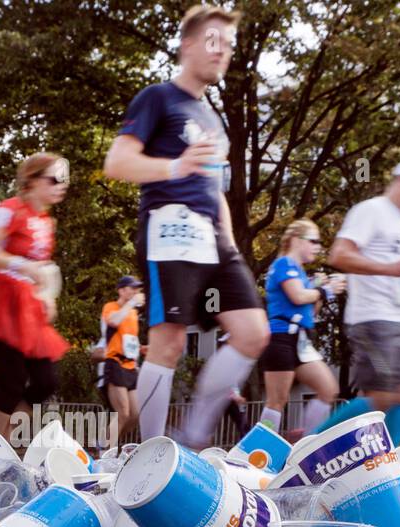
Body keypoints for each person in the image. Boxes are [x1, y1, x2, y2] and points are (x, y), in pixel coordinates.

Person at [103, 5, 269, 448]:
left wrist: (230, 247)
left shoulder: (212, 118)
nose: (223, 53)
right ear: (188, 45)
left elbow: (214, 189)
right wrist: (176, 166)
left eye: (229, 46)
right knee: (169, 345)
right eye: (214, 42)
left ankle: (194, 433)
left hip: (214, 240)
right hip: (169, 230)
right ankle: (151, 451)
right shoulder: (157, 98)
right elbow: (116, 163)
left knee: (254, 332)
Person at [312, 157, 400, 445]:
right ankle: (308, 446)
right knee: (383, 396)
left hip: (398, 321)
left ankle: (385, 461)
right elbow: (339, 255)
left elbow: (398, 277)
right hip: (372, 320)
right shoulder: (371, 210)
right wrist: (391, 269)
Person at [0, 154, 70, 440]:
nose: (62, 185)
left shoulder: (46, 222)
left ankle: (0, 442)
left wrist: (47, 297)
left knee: (45, 383)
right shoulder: (9, 209)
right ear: (31, 181)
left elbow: (41, 268)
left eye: (64, 179)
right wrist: (22, 265)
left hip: (27, 309)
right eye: (54, 178)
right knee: (12, 382)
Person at [261, 219, 345, 438]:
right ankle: (257, 448)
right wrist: (325, 291)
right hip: (281, 338)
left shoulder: (299, 273)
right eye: (314, 241)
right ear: (297, 240)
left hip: (301, 340)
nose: (318, 247)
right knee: (276, 402)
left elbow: (311, 312)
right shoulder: (284, 264)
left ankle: (307, 441)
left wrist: (320, 289)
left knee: (328, 389)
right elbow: (297, 297)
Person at [100, 276, 145, 447]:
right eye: (131, 288)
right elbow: (113, 321)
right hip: (115, 363)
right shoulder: (111, 307)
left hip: (131, 366)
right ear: (121, 290)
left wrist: (140, 350)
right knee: (123, 413)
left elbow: (129, 339)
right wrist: (131, 303)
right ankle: (105, 451)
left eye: (137, 289)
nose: (135, 292)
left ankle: (108, 442)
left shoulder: (133, 313)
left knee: (135, 414)